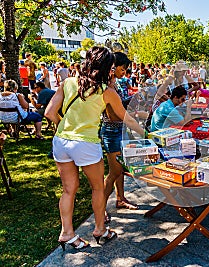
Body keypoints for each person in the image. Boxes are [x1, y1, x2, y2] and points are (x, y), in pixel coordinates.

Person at [44, 46, 143, 251]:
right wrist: (145, 134)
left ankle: (67, 233)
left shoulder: (68, 82)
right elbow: (127, 119)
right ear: (107, 67)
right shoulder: (107, 92)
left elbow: (50, 113)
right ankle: (100, 229)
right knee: (98, 188)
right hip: (86, 144)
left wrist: (64, 127)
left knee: (68, 190)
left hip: (62, 142)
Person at [101, 52, 145, 220]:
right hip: (112, 132)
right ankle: (101, 208)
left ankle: (120, 198)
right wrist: (130, 113)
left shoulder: (115, 84)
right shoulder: (107, 86)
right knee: (113, 172)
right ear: (113, 67)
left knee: (120, 170)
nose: (125, 72)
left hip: (119, 130)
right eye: (123, 68)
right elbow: (112, 114)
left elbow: (118, 108)